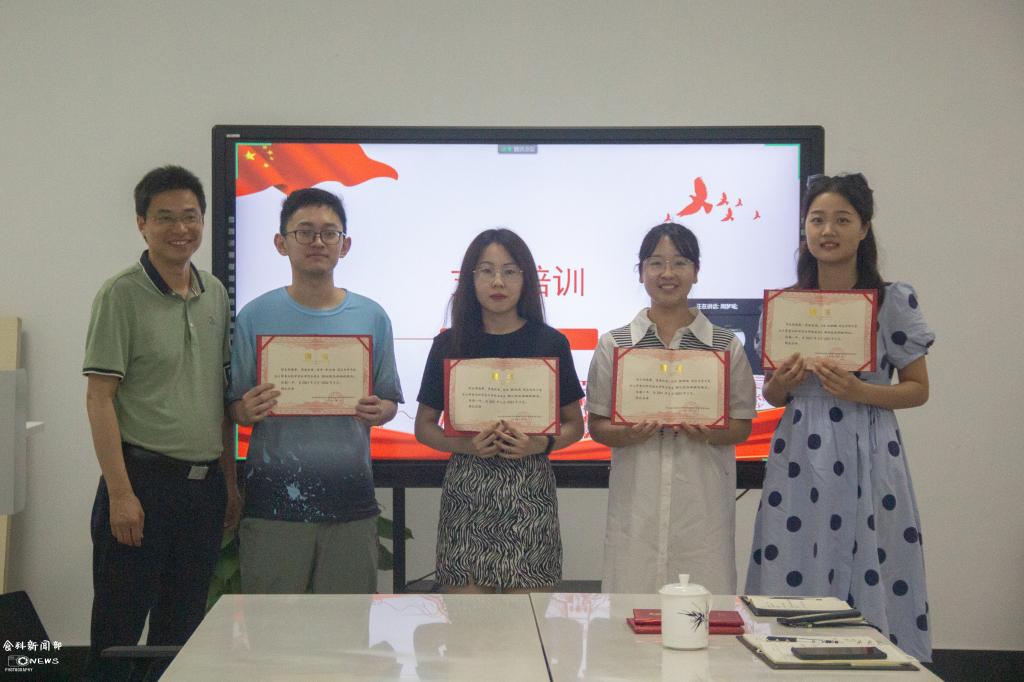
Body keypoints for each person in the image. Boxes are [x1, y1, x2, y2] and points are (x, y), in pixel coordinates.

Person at [744, 173, 934, 662]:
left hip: (868, 445)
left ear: (864, 229)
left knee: (871, 554)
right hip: (798, 452)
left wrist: (859, 391)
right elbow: (774, 394)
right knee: (795, 553)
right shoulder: (785, 305)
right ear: (804, 229)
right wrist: (783, 383)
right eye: (817, 220)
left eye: (842, 220)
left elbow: (918, 389)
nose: (828, 231)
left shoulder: (892, 300)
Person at [83, 165, 240, 680]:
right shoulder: (120, 294)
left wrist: (228, 483)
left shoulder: (214, 293)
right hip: (142, 485)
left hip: (202, 491)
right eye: (165, 217)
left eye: (190, 217)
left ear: (203, 221)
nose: (180, 229)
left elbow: (218, 399)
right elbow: (99, 398)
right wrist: (120, 494)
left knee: (183, 634)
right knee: (118, 634)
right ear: (142, 224)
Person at [228, 187, 402, 594]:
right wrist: (244, 409)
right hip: (274, 505)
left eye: (329, 233)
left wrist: (381, 410)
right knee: (272, 626)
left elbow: (390, 400)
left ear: (345, 245)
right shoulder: (254, 316)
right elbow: (233, 405)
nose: (318, 242)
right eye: (304, 232)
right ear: (281, 243)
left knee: (346, 627)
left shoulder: (372, 316)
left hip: (351, 503)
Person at [586, 222, 756, 595]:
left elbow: (742, 425)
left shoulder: (725, 346)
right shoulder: (615, 345)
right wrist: (627, 433)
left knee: (703, 614)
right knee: (628, 615)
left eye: (679, 263)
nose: (667, 273)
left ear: (696, 271)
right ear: (641, 272)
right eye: (656, 263)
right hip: (637, 510)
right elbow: (597, 425)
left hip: (702, 511)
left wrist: (711, 432)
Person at [414, 228, 585, 593]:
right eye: (486, 270)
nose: (497, 281)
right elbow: (424, 427)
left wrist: (540, 444)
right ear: (470, 279)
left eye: (509, 271)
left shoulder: (550, 342)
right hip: (467, 495)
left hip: (529, 494)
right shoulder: (449, 343)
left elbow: (575, 424)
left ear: (526, 279)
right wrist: (465, 445)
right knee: (468, 623)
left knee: (527, 622)